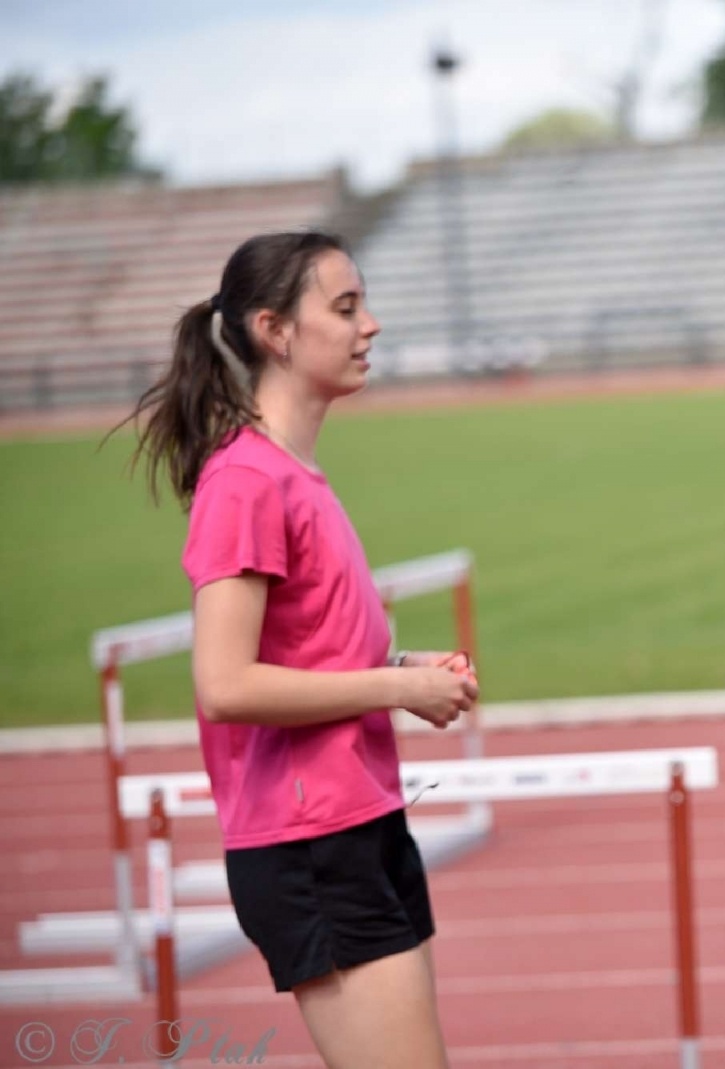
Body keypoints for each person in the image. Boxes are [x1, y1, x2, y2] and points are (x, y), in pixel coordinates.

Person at [122, 231, 476, 1069]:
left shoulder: (293, 473)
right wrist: (391, 689)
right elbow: (225, 683)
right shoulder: (246, 482)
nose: (371, 326)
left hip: (361, 818)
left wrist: (405, 672)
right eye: (346, 308)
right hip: (311, 838)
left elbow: (313, 653)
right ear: (276, 330)